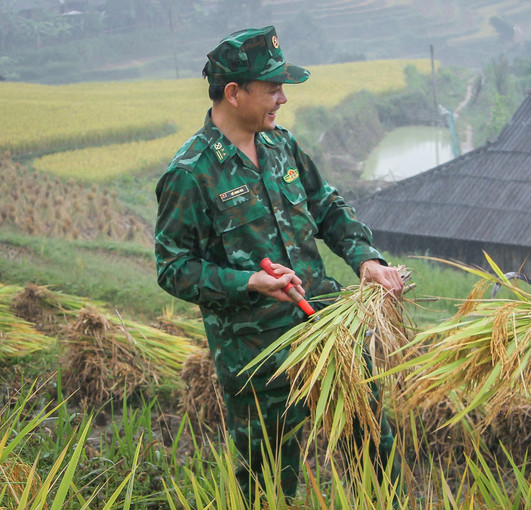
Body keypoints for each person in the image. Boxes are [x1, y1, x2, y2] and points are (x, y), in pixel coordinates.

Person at [154, 26, 403, 500]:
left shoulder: (280, 146)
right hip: (257, 353)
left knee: (373, 446)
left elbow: (327, 207)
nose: (283, 98)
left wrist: (365, 259)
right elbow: (174, 268)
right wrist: (249, 281)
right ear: (234, 92)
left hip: (327, 328)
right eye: (272, 89)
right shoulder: (191, 174)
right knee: (266, 481)